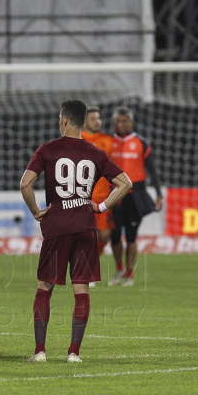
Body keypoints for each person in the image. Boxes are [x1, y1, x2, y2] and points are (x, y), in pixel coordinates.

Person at [20, 100, 132, 363]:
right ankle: (74, 353)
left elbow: (25, 184)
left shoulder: (47, 150)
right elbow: (125, 183)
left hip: (57, 226)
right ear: (82, 121)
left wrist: (36, 211)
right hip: (85, 225)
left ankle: (40, 352)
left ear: (64, 120)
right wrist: (102, 206)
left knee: (45, 286)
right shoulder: (95, 152)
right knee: (81, 289)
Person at [108, 107, 164, 286]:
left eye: (125, 121)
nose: (122, 124)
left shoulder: (141, 142)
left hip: (136, 194)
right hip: (114, 193)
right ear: (114, 123)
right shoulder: (108, 142)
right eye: (119, 121)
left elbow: (152, 170)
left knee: (131, 235)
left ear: (131, 123)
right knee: (115, 236)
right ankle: (118, 270)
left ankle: (129, 274)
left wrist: (159, 194)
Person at [81, 106, 116, 275]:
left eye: (99, 118)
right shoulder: (78, 139)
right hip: (81, 197)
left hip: (103, 197)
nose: (98, 122)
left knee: (104, 236)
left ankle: (91, 262)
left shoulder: (107, 140)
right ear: (85, 122)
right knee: (85, 236)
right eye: (93, 118)